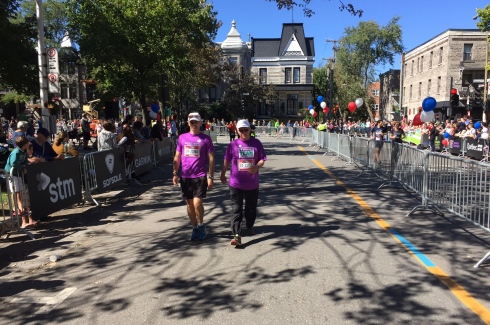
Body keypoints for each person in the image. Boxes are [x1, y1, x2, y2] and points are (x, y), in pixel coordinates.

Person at [220, 119, 266, 246]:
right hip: (236, 183)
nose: (244, 132)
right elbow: (226, 160)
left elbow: (262, 159)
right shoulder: (233, 145)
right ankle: (237, 235)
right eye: (241, 130)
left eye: (246, 130)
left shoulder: (256, 143)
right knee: (236, 209)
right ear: (237, 131)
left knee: (251, 209)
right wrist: (223, 174)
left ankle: (249, 226)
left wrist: (257, 167)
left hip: (252, 184)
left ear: (250, 130)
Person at [172, 112, 215, 241]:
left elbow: (211, 159)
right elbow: (177, 157)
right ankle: (194, 227)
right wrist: (175, 173)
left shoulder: (206, 139)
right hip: (186, 176)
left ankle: (201, 225)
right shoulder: (182, 138)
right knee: (189, 204)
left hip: (200, 175)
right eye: (192, 122)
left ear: (200, 123)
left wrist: (210, 176)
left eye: (196, 122)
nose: (194, 124)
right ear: (188, 123)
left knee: (197, 203)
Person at [5, 136, 37, 228]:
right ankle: (18, 208)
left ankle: (21, 209)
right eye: (27, 143)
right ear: (24, 144)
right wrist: (22, 168)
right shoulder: (16, 152)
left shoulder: (23, 152)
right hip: (12, 175)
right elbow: (13, 163)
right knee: (16, 191)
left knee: (21, 190)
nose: (29, 144)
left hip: (19, 175)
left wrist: (25, 166)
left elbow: (25, 161)